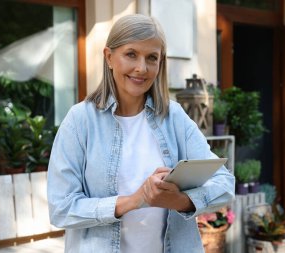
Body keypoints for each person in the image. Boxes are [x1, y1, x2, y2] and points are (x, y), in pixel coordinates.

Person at [47, 14, 235, 253]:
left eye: (152, 58)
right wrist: (134, 200)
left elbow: (225, 183)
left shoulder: (174, 117)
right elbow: (61, 208)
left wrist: (180, 201)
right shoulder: (80, 121)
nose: (141, 68)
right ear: (109, 57)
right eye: (131, 54)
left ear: (160, 63)